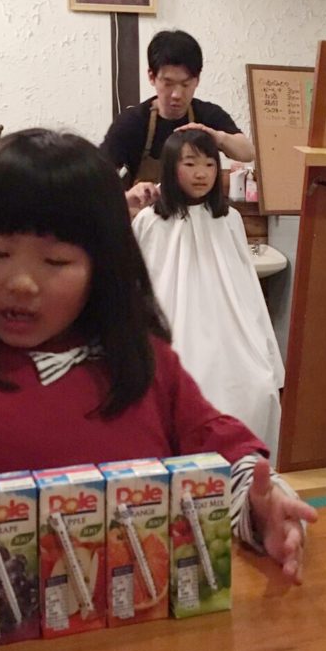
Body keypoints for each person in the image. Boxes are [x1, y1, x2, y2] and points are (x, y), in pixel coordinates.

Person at [0, 129, 315, 582]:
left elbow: (220, 445)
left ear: (104, 268)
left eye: (55, 261)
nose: (21, 283)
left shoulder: (145, 368)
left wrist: (262, 509)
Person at [133, 128, 284, 458]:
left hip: (228, 326)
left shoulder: (228, 219)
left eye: (209, 164)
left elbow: (245, 284)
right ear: (171, 167)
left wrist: (261, 339)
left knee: (257, 387)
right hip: (171, 327)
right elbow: (138, 286)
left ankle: (244, 471)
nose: (201, 173)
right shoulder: (150, 221)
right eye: (190, 164)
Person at [102, 30, 255, 213]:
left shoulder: (208, 115)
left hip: (197, 219)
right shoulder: (132, 122)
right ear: (151, 77)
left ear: (197, 80)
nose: (177, 94)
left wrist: (219, 138)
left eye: (185, 84)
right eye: (168, 83)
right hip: (147, 219)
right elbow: (97, 178)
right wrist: (127, 197)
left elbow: (248, 153)